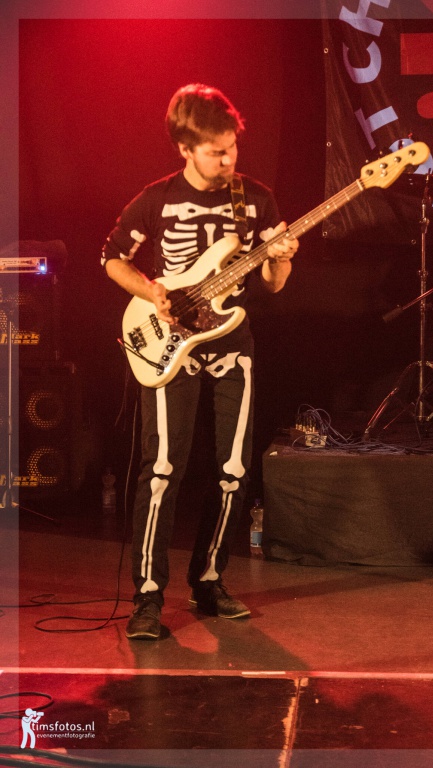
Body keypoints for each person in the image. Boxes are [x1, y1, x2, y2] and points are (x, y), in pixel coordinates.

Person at [102, 83, 298, 640]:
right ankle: (147, 596)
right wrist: (152, 291)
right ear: (185, 148)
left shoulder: (255, 198)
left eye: (232, 148)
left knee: (234, 471)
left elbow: (274, 284)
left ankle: (209, 580)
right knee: (163, 469)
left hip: (232, 342)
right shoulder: (157, 198)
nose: (228, 159)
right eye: (216, 151)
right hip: (170, 342)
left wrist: (280, 259)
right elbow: (111, 258)